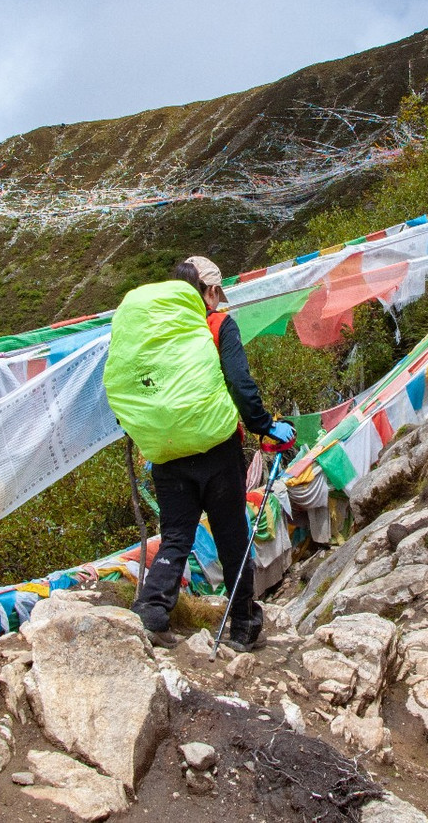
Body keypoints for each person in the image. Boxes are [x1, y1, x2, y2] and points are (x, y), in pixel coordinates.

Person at [103, 255, 294, 651]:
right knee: (230, 535)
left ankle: (153, 610)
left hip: (167, 453)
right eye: (216, 292)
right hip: (216, 449)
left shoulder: (149, 336)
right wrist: (264, 425)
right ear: (208, 292)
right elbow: (239, 383)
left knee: (176, 535)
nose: (218, 300)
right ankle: (242, 624)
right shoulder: (217, 325)